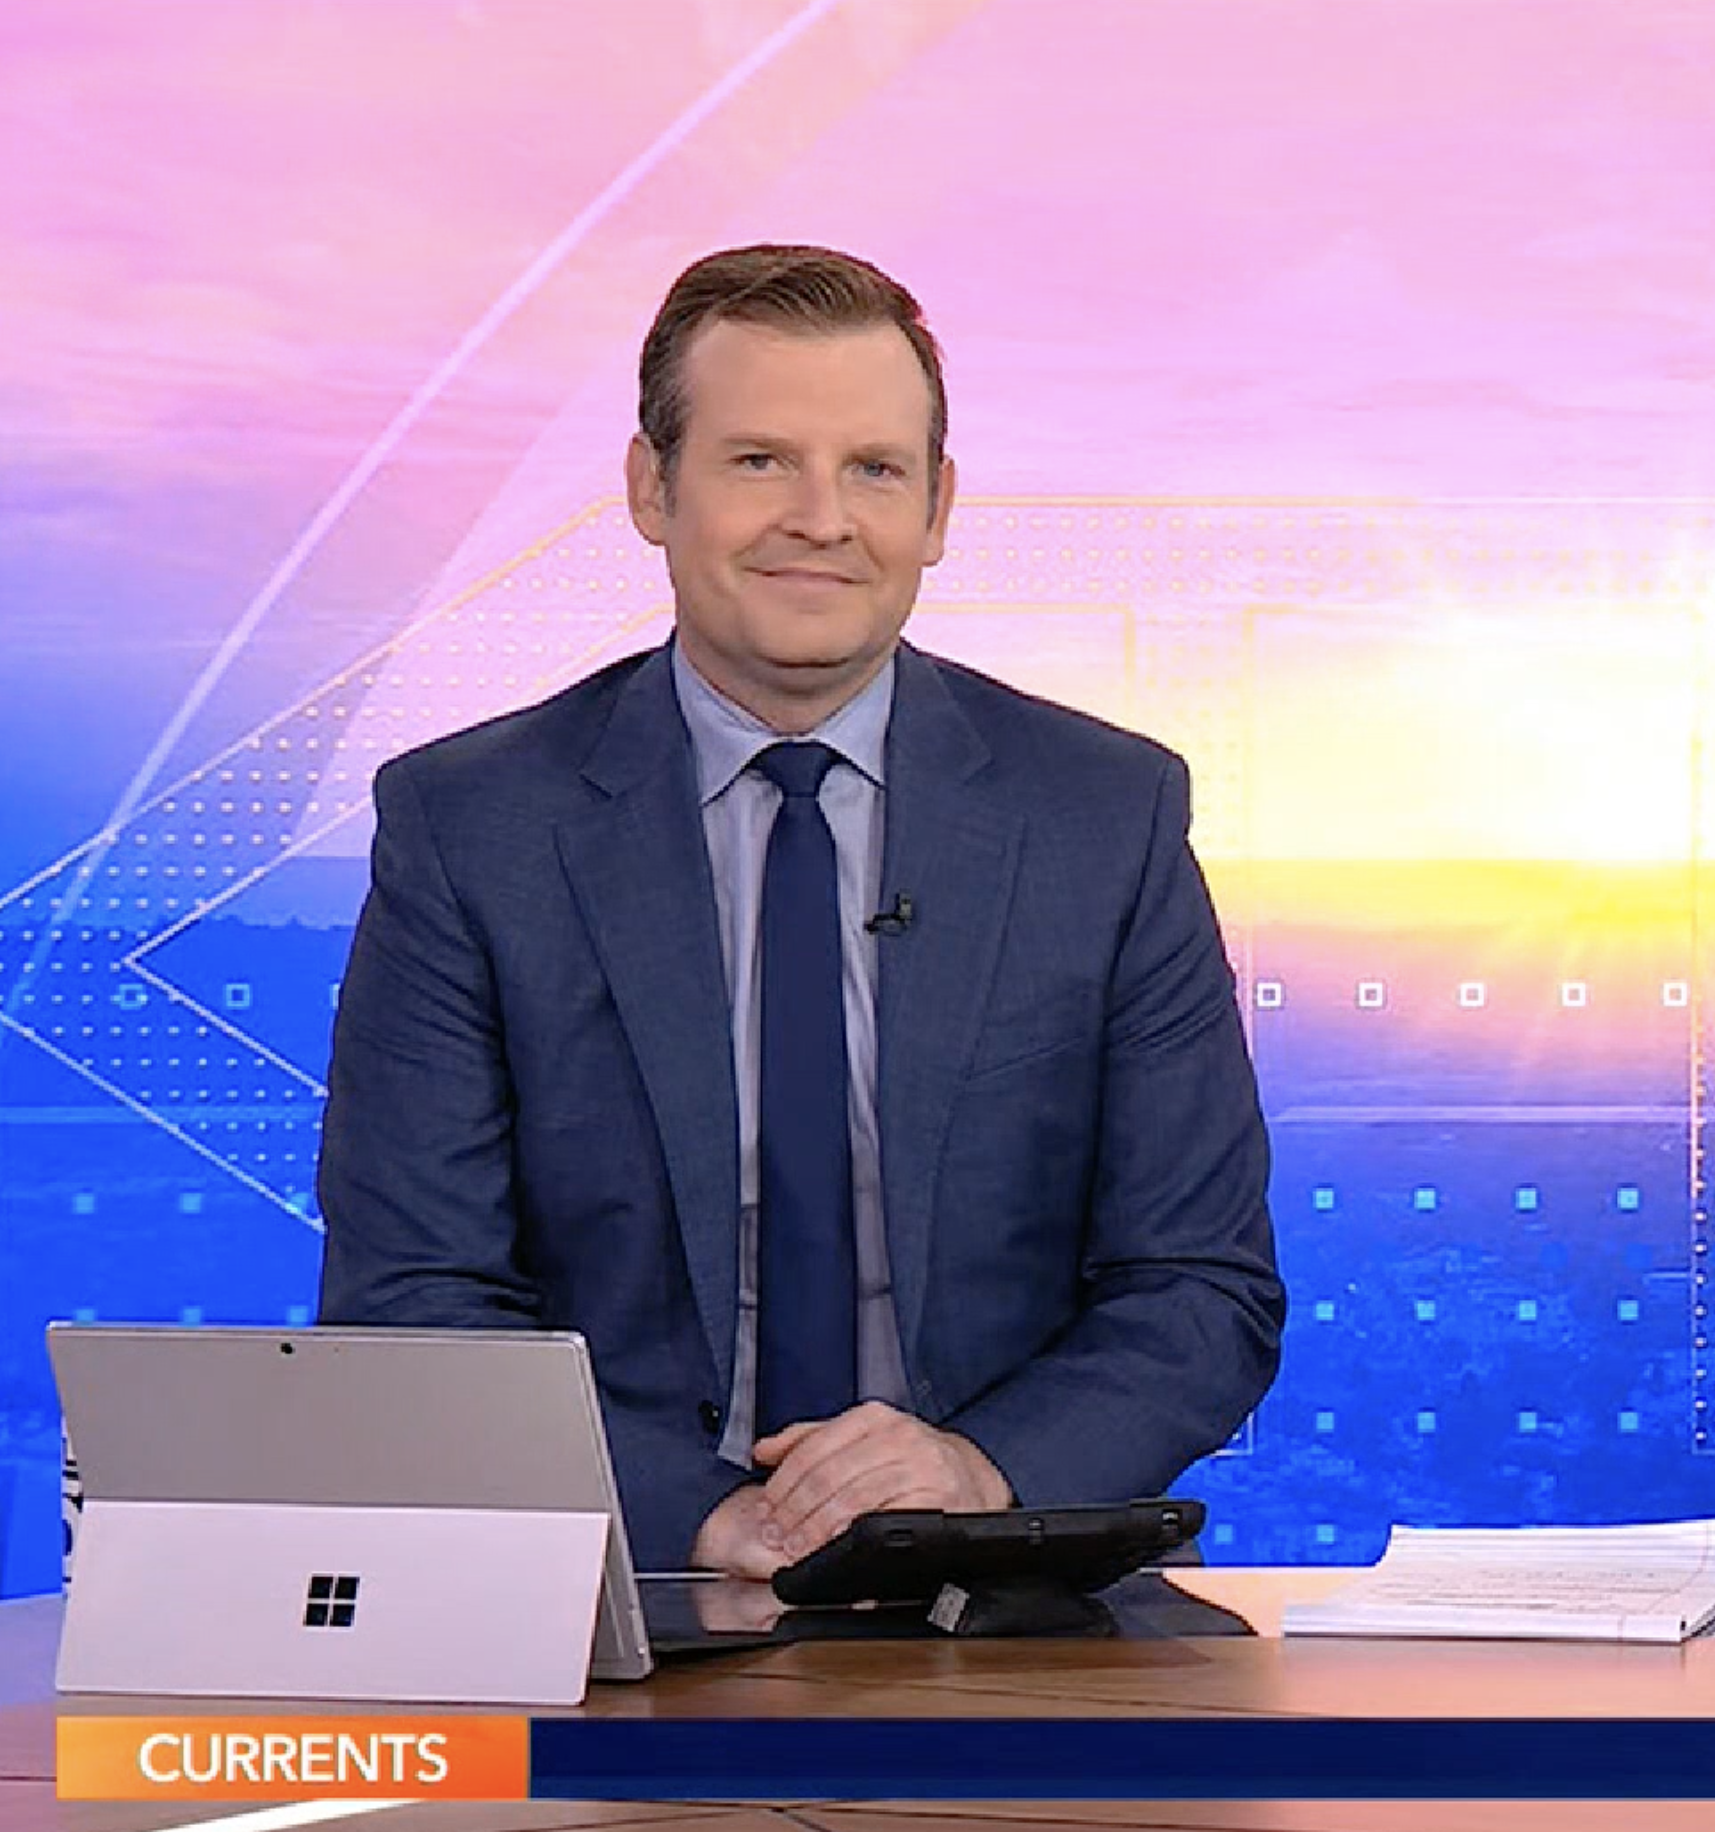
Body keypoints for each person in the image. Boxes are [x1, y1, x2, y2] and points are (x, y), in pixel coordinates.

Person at [317, 245, 1284, 1578]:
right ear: (654, 489)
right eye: (760, 460)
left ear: (937, 509)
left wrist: (972, 1472)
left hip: (1012, 1597)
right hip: (613, 1586)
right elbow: (414, 1302)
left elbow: (1197, 1289)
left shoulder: (1103, 817)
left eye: (874, 470)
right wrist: (713, 1523)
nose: (820, 518)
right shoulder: (470, 827)